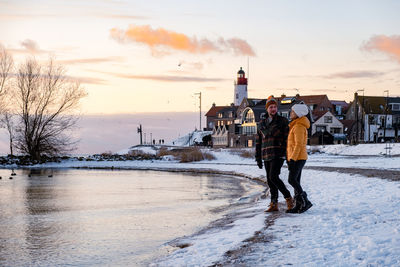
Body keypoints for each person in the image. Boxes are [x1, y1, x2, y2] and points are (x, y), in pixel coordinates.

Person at [256, 96, 294, 212]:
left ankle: (288, 198)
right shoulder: (262, 123)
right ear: (267, 109)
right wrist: (258, 157)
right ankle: (274, 203)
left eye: (275, 107)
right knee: (269, 179)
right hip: (266, 154)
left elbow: (288, 139)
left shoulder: (282, 121)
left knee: (273, 176)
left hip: (278, 153)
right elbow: (259, 142)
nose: (273, 109)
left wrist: (288, 156)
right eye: (271, 107)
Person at [286, 103, 313, 213]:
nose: (291, 113)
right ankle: (298, 205)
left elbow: (298, 144)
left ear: (298, 113)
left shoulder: (298, 127)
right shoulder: (296, 125)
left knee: (291, 180)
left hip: (298, 158)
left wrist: (292, 159)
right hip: (297, 157)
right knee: (296, 181)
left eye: (293, 112)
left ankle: (305, 201)